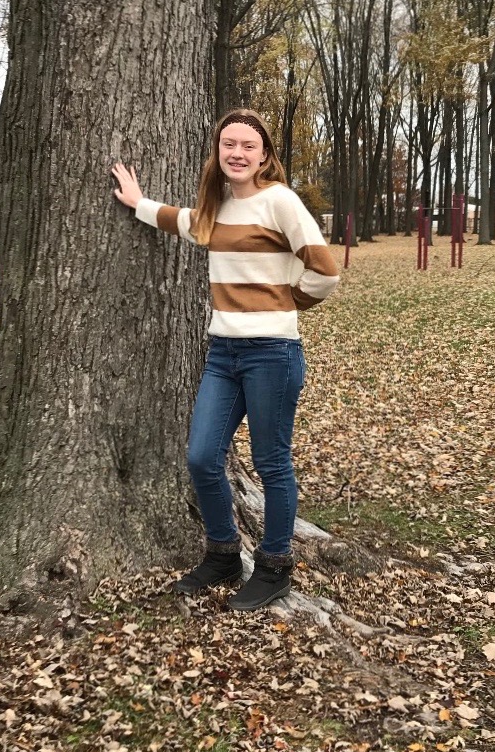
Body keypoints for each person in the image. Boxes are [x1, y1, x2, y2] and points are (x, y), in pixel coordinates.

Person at [111, 108, 339, 611]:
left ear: (264, 155)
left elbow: (325, 270)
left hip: (272, 355)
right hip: (222, 353)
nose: (237, 153)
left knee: (271, 462)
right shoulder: (216, 206)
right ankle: (223, 555)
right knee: (201, 457)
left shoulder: (279, 201)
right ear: (218, 152)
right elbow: (186, 223)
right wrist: (138, 203)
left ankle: (275, 567)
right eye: (228, 144)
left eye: (248, 146)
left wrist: (284, 304)